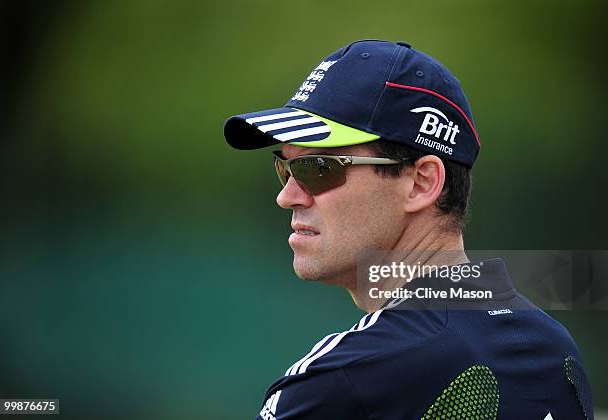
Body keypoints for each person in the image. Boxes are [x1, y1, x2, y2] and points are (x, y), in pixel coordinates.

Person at [224, 40, 594, 419]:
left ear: (421, 183)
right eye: (285, 168)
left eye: (318, 168)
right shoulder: (554, 350)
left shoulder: (345, 379)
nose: (287, 197)